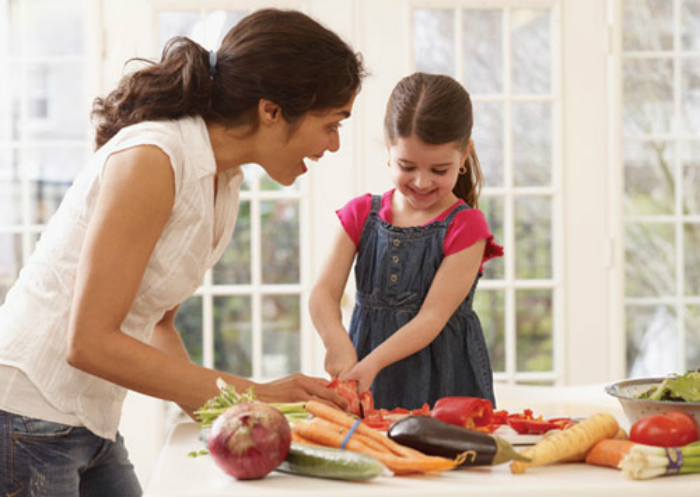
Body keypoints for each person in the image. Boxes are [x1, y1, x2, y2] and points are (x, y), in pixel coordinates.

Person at [0, 8, 364, 497]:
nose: (335, 145)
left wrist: (237, 418)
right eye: (331, 123)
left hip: (90, 422)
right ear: (271, 111)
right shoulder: (154, 158)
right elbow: (88, 340)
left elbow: (158, 323)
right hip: (27, 418)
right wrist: (253, 394)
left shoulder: (222, 179)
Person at [309, 72, 503, 411]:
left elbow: (432, 318)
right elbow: (323, 294)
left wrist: (372, 363)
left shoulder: (466, 226)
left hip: (445, 380)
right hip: (368, 372)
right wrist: (335, 340)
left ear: (464, 155)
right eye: (407, 166)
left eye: (439, 170)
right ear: (388, 151)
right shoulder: (360, 215)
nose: (422, 181)